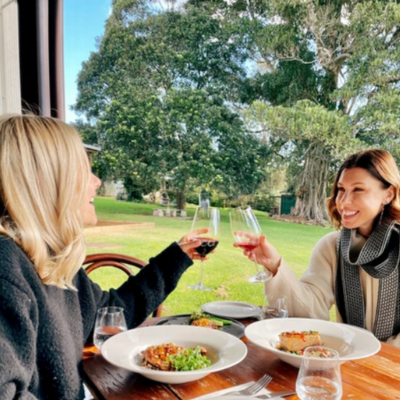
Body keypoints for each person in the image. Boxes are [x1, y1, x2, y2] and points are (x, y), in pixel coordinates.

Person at [0, 114, 204, 400]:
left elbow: (110, 315)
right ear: (48, 182)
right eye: (84, 170)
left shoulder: (52, 259)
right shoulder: (7, 269)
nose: (96, 182)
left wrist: (175, 259)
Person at [238, 149, 400, 346]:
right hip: (350, 360)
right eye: (341, 189)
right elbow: (308, 313)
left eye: (358, 189)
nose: (343, 201)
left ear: (388, 193)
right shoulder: (332, 246)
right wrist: (274, 264)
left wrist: (376, 356)